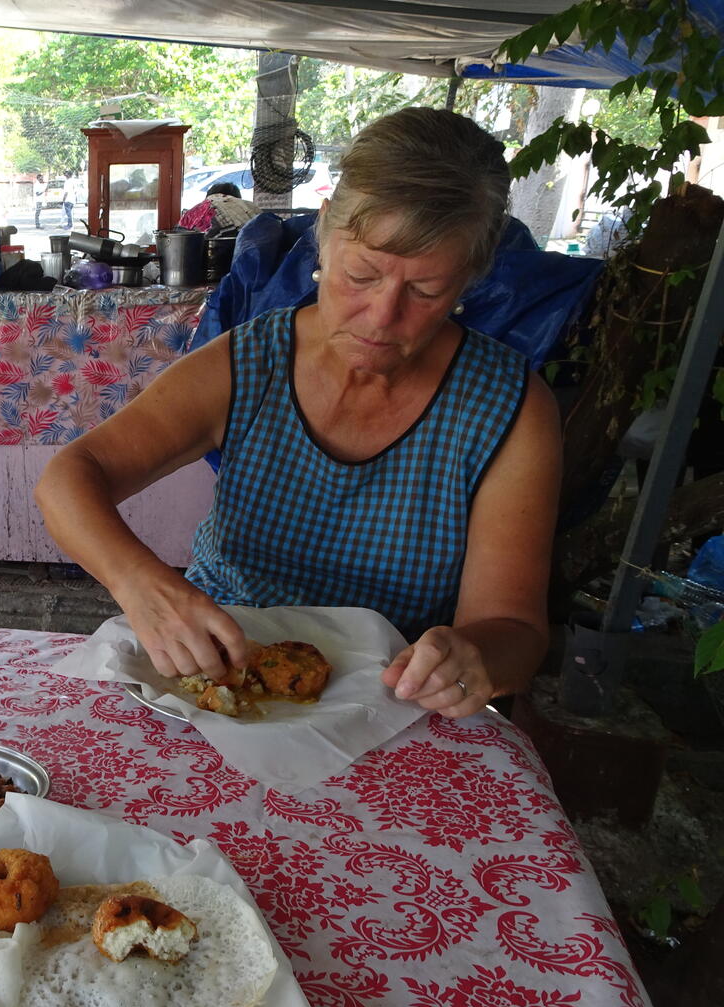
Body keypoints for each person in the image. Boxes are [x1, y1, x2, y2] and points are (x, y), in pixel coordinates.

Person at [35, 108, 560, 720]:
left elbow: (515, 629)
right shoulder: (252, 361)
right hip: (216, 678)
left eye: (425, 291)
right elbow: (68, 478)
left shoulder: (507, 408)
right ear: (324, 236)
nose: (381, 318)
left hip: (388, 706)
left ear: (470, 279)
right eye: (361, 275)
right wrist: (139, 582)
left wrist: (473, 658)